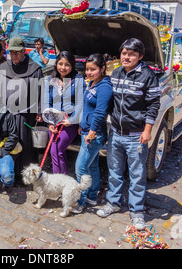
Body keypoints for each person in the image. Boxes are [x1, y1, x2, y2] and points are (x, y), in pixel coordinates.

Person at [96, 38, 161, 230]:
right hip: (116, 132)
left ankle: (137, 211)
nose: (126, 57)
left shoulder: (148, 76)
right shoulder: (116, 73)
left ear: (140, 56)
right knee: (115, 172)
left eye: (131, 54)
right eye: (124, 53)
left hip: (136, 135)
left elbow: (153, 105)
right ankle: (113, 203)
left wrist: (147, 130)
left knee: (137, 174)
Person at [0, 36, 43, 183]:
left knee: (24, 145)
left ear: (23, 51)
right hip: (6, 114)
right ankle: (9, 173)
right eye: (11, 53)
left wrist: (39, 111)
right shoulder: (3, 68)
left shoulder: (34, 69)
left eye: (17, 52)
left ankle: (25, 176)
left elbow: (40, 91)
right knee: (8, 143)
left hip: (25, 115)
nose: (14, 55)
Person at [71, 53, 113, 214]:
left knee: (80, 168)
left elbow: (100, 112)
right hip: (87, 130)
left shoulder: (104, 87)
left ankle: (80, 201)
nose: (88, 72)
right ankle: (92, 196)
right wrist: (83, 125)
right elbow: (88, 108)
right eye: (87, 69)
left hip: (94, 134)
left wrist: (92, 131)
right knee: (93, 166)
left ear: (103, 69)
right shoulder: (93, 83)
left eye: (93, 69)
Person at [44, 51, 85, 174]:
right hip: (54, 121)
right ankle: (60, 181)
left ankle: (61, 181)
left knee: (58, 149)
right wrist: (49, 123)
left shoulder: (78, 80)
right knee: (54, 151)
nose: (63, 67)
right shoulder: (52, 80)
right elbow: (47, 101)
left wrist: (72, 120)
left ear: (72, 65)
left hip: (70, 122)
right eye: (60, 64)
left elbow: (80, 103)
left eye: (67, 64)